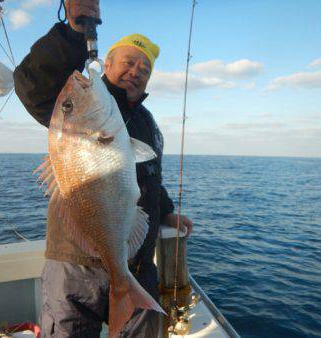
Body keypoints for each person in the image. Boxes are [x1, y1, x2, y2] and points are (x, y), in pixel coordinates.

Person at [13, 1, 193, 337]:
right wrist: (74, 31)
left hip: (134, 263)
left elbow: (148, 178)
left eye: (145, 67)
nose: (137, 70)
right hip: (75, 265)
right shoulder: (76, 105)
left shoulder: (145, 121)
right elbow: (30, 84)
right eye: (129, 61)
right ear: (105, 64)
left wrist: (166, 211)